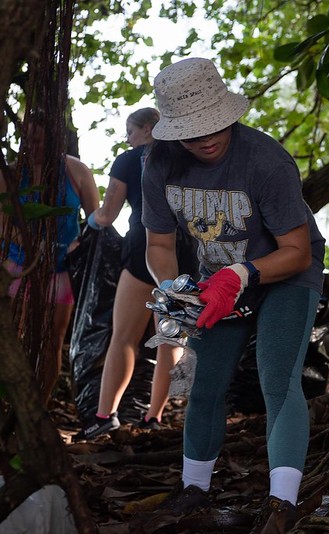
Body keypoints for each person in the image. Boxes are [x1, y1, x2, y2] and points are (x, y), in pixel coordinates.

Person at [140, 57, 325, 534]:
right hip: (214, 280)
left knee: (277, 380)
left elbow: (297, 252)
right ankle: (194, 490)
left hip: (283, 273)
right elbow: (159, 245)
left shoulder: (266, 160)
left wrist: (240, 274)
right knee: (203, 382)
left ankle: (282, 504)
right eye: (193, 130)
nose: (206, 137)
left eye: (214, 124)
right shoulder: (158, 163)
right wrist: (173, 288)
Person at [75, 108, 198, 440]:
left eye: (130, 131)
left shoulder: (130, 160)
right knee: (170, 339)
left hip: (144, 250)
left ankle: (104, 416)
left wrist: (88, 223)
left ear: (146, 129)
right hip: (186, 254)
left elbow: (107, 214)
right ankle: (153, 418)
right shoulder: (190, 155)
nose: (127, 138)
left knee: (124, 338)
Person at [1, 109, 100, 403]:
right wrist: (30, 246)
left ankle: (39, 407)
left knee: (52, 341)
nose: (33, 146)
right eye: (27, 140)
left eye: (40, 140)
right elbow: (2, 224)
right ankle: (11, 406)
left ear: (55, 139)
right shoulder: (10, 173)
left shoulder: (75, 171)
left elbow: (96, 220)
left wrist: (78, 243)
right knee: (11, 337)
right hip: (18, 264)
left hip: (61, 268)